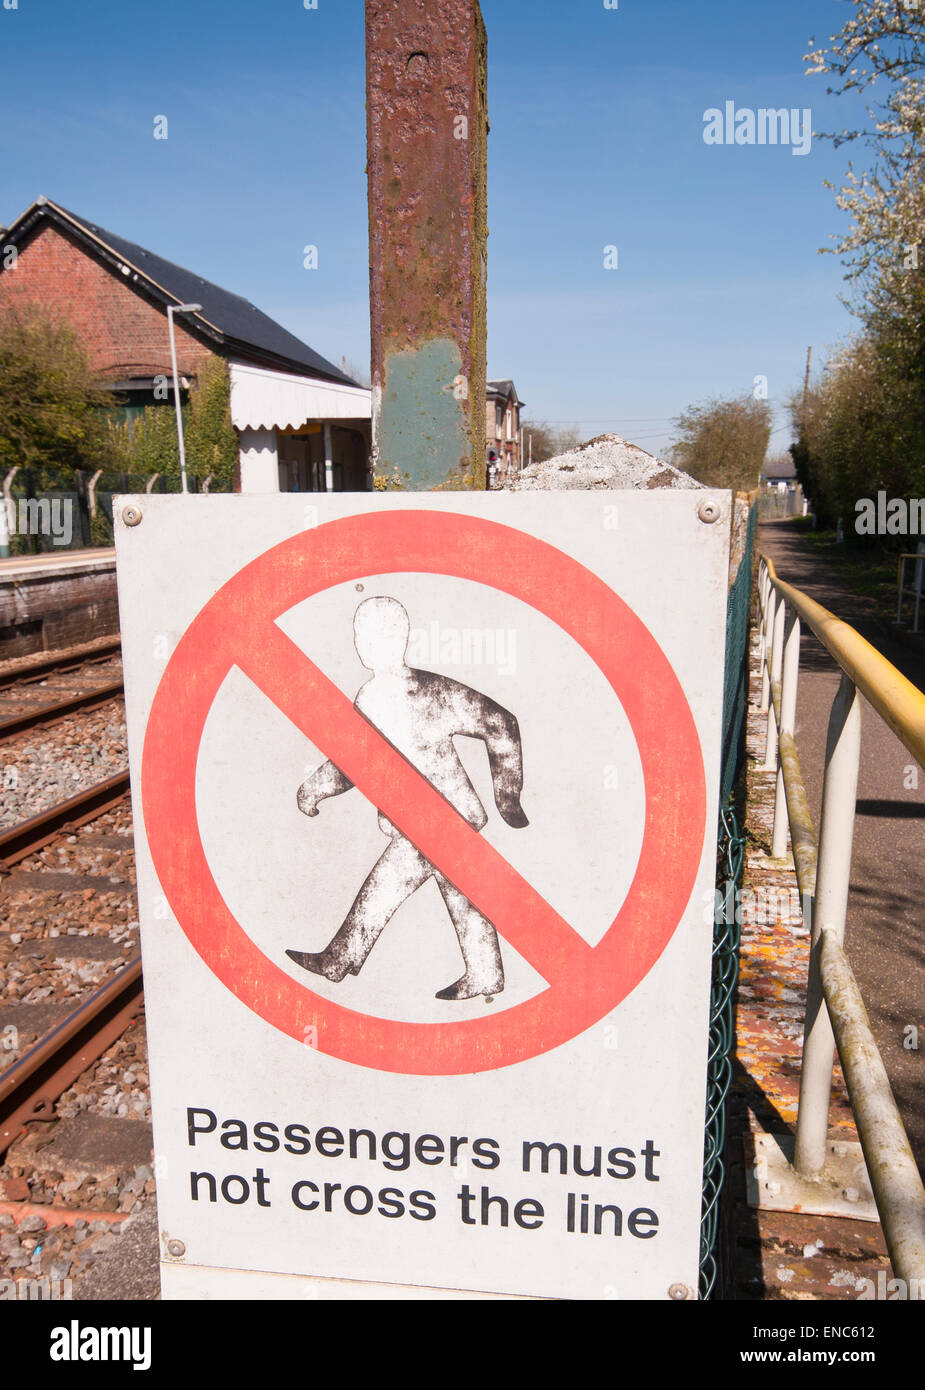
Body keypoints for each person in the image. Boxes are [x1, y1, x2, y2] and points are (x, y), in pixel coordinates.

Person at [286, 596, 528, 1000]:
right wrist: (507, 798)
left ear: (397, 638)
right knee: (463, 895)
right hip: (440, 819)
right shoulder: (414, 689)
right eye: (360, 634)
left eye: (368, 635)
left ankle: (339, 960)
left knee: (384, 887)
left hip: (433, 823)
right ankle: (485, 975)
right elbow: (357, 759)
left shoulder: (408, 692)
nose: (362, 643)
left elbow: (501, 721)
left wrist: (510, 797)